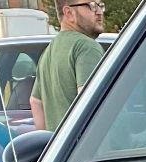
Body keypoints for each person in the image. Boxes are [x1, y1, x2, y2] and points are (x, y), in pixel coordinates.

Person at [30, 0, 105, 131]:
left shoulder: (48, 52)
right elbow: (91, 101)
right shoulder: (87, 47)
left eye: (100, 5)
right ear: (69, 13)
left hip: (63, 149)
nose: (99, 12)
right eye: (92, 6)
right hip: (89, 147)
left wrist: (51, 144)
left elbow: (35, 102)